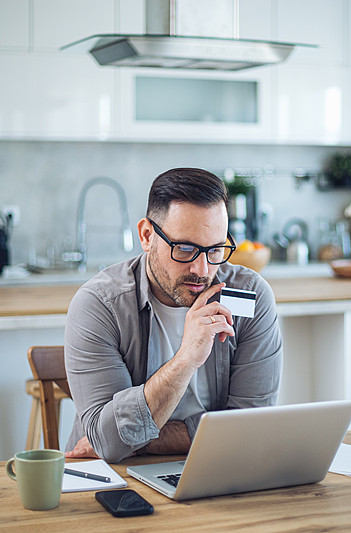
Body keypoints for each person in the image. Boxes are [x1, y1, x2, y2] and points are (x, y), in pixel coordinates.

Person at [64, 168, 283, 463]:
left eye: (215, 250)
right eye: (185, 249)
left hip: (217, 466)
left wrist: (143, 442)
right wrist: (185, 360)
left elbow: (250, 428)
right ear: (146, 236)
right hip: (118, 476)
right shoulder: (101, 305)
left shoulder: (250, 296)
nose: (202, 270)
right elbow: (109, 443)